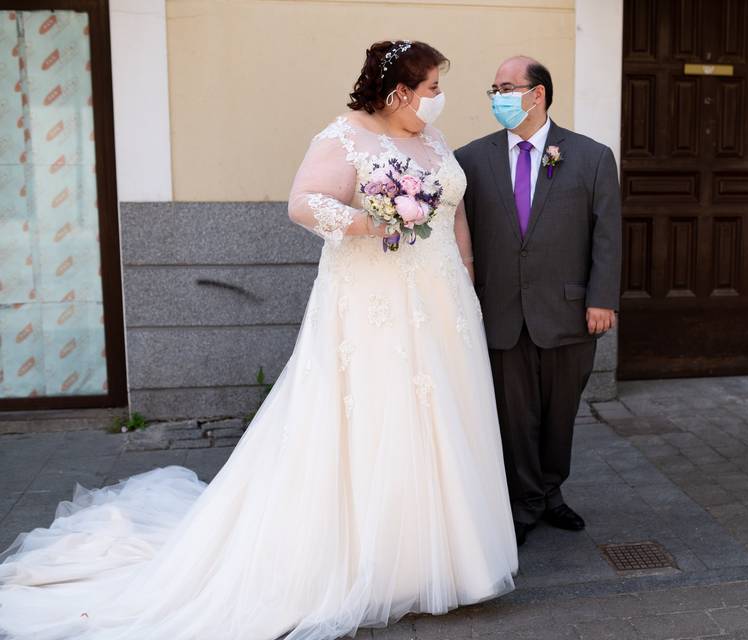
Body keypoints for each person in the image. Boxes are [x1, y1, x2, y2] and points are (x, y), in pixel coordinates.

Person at [0, 40, 518, 640]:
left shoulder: (432, 140)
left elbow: (453, 213)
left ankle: (456, 558)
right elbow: (304, 204)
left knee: (448, 418)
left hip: (441, 300)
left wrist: (466, 282)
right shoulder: (342, 136)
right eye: (431, 88)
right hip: (375, 302)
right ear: (400, 91)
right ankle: (388, 564)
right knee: (384, 413)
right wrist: (374, 221)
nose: (438, 99)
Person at [455, 56, 621, 547]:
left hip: (570, 312)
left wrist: (602, 299)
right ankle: (525, 502)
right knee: (515, 414)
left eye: (506, 87)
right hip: (501, 312)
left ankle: (552, 492)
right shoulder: (471, 159)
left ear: (538, 94)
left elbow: (606, 236)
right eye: (493, 88)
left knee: (559, 412)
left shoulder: (591, 157)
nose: (496, 97)